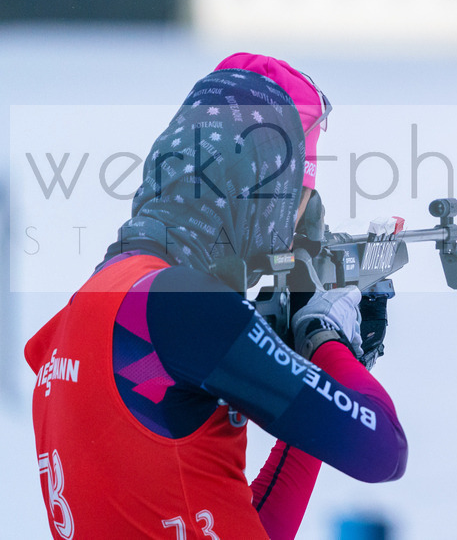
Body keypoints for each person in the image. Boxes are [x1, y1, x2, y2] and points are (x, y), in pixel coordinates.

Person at [25, 53, 407, 540]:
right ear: (260, 193)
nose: (294, 230)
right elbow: (383, 449)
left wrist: (319, 388)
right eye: (297, 199)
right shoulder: (184, 306)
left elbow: (236, 523)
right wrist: (325, 340)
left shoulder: (75, 321)